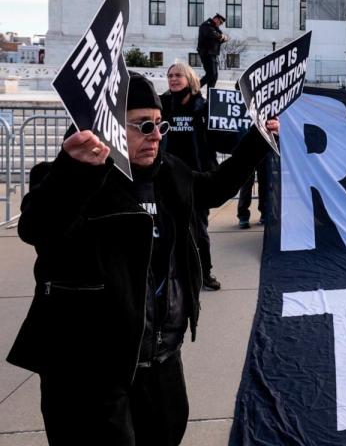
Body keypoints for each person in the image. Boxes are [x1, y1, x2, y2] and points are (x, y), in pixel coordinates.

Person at [7, 73, 278, 445]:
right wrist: (74, 171)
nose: (156, 134)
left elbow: (213, 190)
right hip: (88, 371)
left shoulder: (169, 172)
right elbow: (36, 228)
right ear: (107, 128)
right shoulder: (67, 178)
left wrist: (257, 141)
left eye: (160, 123)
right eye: (144, 124)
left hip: (161, 358)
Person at [161, 62, 220, 290]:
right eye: (170, 76)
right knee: (168, 229)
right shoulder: (162, 104)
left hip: (197, 177)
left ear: (190, 79)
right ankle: (170, 275)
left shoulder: (203, 107)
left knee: (200, 230)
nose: (173, 79)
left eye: (178, 75)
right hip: (167, 176)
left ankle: (204, 273)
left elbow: (220, 135)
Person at [197, 13, 228, 90]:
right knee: (211, 74)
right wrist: (221, 37)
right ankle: (194, 89)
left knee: (214, 76)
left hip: (213, 54)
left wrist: (221, 37)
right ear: (215, 19)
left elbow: (221, 37)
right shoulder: (206, 25)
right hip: (206, 53)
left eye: (221, 23)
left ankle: (210, 97)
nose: (220, 24)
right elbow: (211, 34)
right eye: (219, 22)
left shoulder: (215, 28)